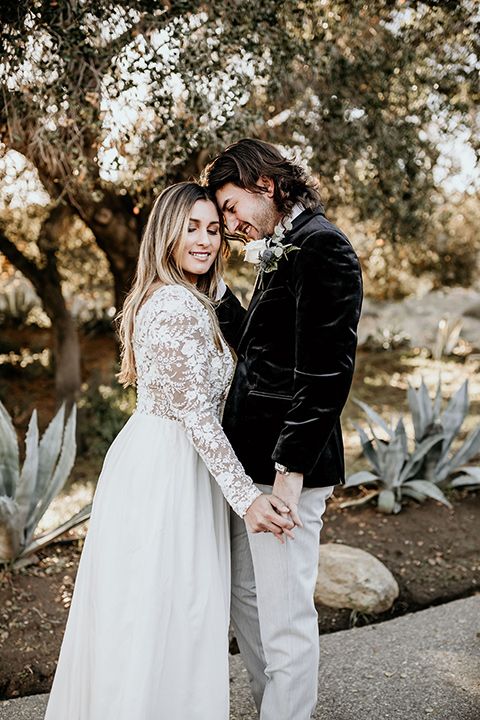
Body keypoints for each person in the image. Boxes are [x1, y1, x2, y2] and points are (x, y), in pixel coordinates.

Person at [44, 182, 295, 720]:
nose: (205, 240)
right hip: (168, 471)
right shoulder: (176, 304)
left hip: (175, 462)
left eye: (212, 229)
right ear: (166, 233)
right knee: (165, 607)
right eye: (192, 228)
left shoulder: (183, 297)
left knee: (167, 610)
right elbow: (198, 417)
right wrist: (246, 497)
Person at [202, 139, 363, 720]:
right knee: (247, 604)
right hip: (249, 471)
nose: (228, 224)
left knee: (285, 616)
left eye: (229, 206)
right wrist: (218, 296)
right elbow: (262, 352)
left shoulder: (324, 247)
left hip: (285, 471)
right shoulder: (284, 247)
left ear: (264, 185)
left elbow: (325, 373)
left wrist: (288, 477)